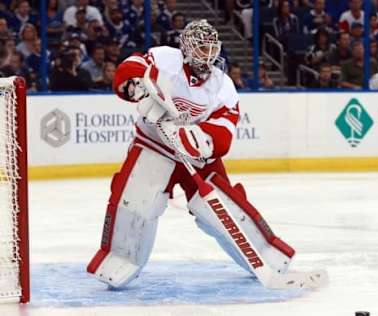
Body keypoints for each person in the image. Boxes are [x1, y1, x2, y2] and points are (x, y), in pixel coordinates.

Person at [87, 20, 295, 289]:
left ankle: (266, 253)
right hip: (154, 145)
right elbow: (132, 66)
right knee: (137, 202)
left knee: (221, 207)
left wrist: (203, 140)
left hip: (196, 156)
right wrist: (132, 84)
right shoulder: (164, 59)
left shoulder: (222, 85)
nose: (206, 55)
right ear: (185, 47)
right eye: (200, 48)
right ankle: (119, 258)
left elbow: (226, 126)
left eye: (211, 48)